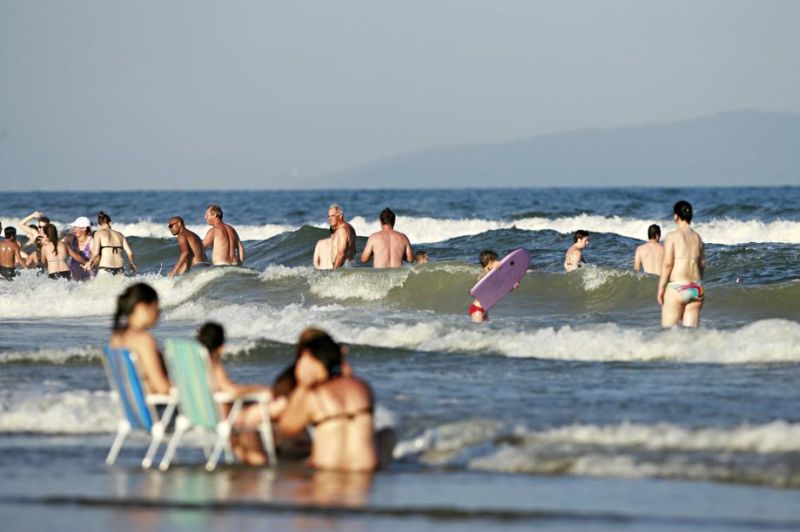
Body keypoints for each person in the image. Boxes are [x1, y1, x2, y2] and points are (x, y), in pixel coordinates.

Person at [278, 329, 378, 472]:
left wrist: (302, 385)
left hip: (327, 474)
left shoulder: (315, 395)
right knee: (386, 435)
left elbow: (287, 428)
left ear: (307, 357)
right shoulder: (362, 387)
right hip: (365, 476)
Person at [197, 322, 276, 465]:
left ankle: (251, 461)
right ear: (221, 346)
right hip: (227, 417)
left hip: (205, 415)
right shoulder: (213, 365)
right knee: (276, 406)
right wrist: (258, 388)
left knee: (248, 418)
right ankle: (261, 463)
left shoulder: (196, 366)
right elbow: (231, 391)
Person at [107, 283, 170, 395]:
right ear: (142, 307)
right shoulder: (144, 340)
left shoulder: (115, 339)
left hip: (130, 402)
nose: (158, 312)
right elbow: (161, 387)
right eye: (156, 306)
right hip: (154, 403)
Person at [658, 201, 705, 328]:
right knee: (691, 334)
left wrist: (661, 287)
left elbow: (668, 263)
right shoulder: (698, 238)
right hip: (696, 289)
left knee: (668, 332)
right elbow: (702, 264)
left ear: (676, 216)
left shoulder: (672, 236)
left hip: (677, 287)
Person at [86, 211, 137, 276]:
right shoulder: (120, 235)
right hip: (120, 269)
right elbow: (130, 253)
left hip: (105, 268)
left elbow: (96, 253)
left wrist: (89, 262)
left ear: (99, 224)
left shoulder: (98, 233)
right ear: (110, 222)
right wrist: (132, 264)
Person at [469, 250, 500, 323]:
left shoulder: (492, 274)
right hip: (477, 308)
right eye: (496, 260)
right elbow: (482, 279)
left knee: (485, 329)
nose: (498, 262)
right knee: (478, 329)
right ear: (490, 262)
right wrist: (493, 268)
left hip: (485, 309)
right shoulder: (483, 273)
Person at [64, 216, 95, 281]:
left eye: (76, 227)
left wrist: (91, 263)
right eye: (73, 227)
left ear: (84, 228)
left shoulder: (91, 241)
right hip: (74, 277)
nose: (73, 229)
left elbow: (96, 257)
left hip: (88, 276)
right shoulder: (70, 238)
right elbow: (58, 245)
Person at [327, 204, 356, 269]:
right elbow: (354, 250)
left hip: (343, 267)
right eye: (328, 216)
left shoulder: (342, 230)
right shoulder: (350, 227)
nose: (330, 219)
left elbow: (341, 254)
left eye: (333, 216)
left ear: (340, 216)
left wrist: (333, 272)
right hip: (349, 265)